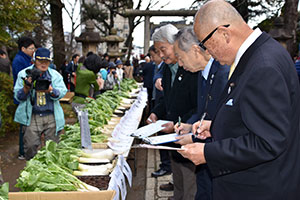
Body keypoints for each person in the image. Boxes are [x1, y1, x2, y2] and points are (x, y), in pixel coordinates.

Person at [178, 1, 300, 200]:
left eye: (206, 44)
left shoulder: (263, 66)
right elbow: (253, 116)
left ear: (224, 33)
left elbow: (267, 142)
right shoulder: (258, 54)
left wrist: (209, 153)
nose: (208, 53)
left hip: (259, 189)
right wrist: (216, 126)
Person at [172, 26, 229, 200]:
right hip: (206, 164)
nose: (180, 64)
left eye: (181, 58)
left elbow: (223, 122)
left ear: (196, 50)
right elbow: (203, 112)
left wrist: (193, 137)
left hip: (216, 159)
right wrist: (190, 126)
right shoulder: (203, 73)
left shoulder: (222, 74)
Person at [147, 24, 198, 200]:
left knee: (190, 178)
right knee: (177, 173)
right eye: (157, 50)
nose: (161, 55)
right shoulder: (168, 70)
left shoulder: (192, 68)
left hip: (188, 132)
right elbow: (165, 99)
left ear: (175, 44)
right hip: (173, 135)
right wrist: (155, 113)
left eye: (163, 49)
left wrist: (180, 125)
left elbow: (198, 106)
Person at [14, 47, 67, 160]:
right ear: (34, 60)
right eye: (40, 60)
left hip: (51, 115)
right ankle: (31, 169)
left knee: (52, 148)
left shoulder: (55, 75)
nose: (43, 63)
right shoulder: (24, 74)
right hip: (32, 115)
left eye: (46, 61)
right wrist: (26, 88)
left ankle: (50, 171)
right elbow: (18, 97)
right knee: (30, 146)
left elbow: (62, 92)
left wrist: (51, 90)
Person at [12, 36, 36, 160]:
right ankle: (22, 152)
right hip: (23, 94)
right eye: (31, 48)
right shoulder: (19, 61)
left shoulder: (26, 59)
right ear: (23, 48)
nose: (33, 51)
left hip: (26, 95)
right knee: (24, 125)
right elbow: (21, 79)